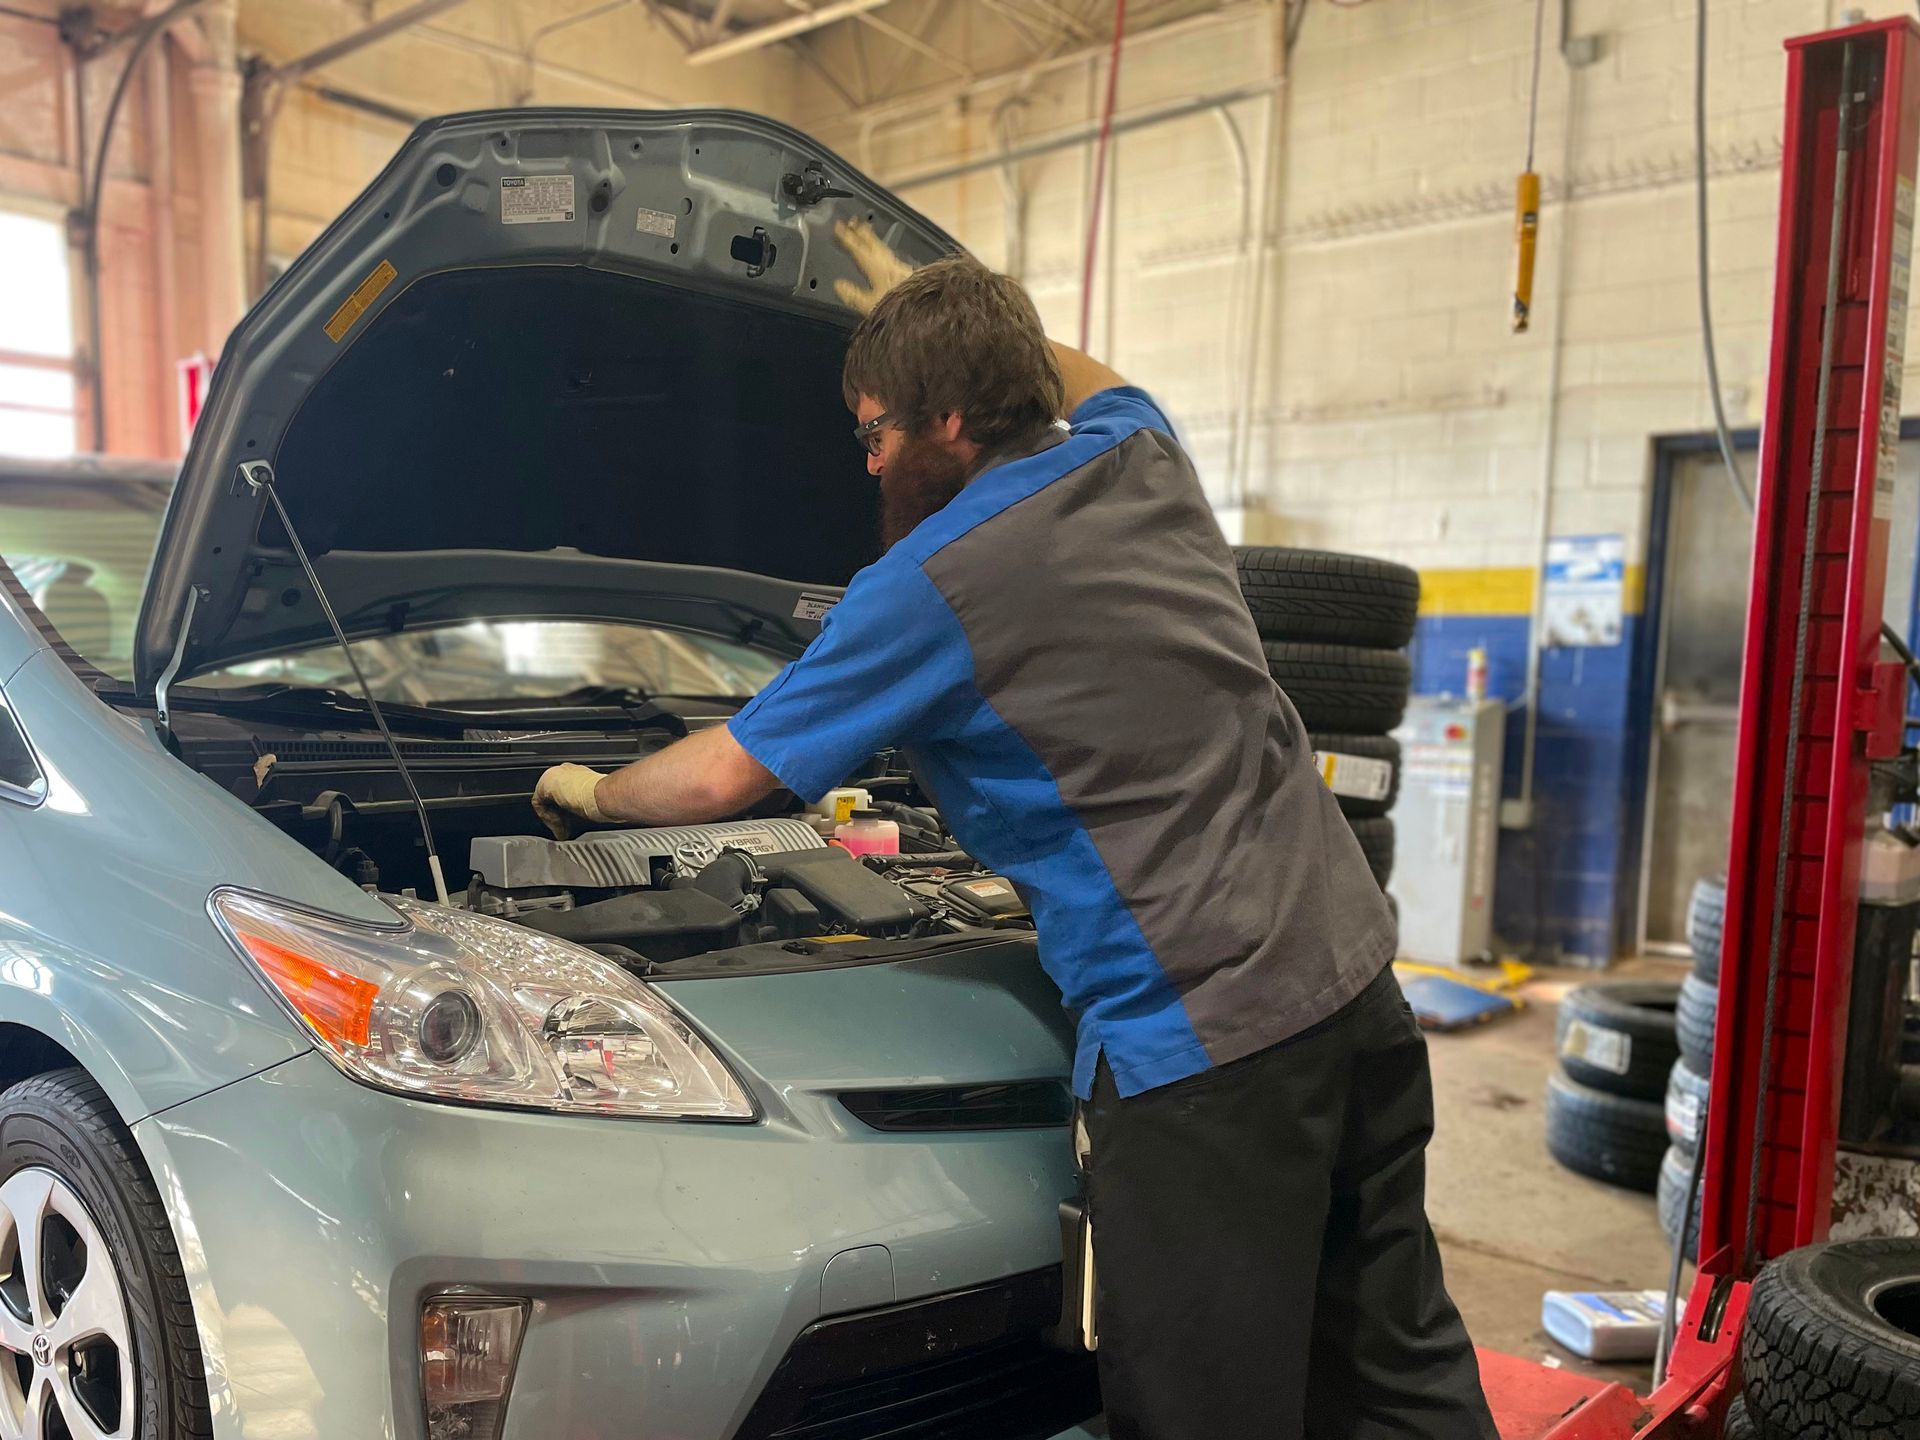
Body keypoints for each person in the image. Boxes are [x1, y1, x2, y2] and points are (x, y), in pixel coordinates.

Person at [532, 220, 1497, 1440]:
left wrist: (589, 791)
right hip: (1353, 986)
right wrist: (946, 308)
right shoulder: (1137, 450)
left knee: (1200, 1411)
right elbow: (1074, 375)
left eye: (876, 428)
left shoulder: (934, 582)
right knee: (1393, 1364)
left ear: (945, 424)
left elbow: (722, 780)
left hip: (1202, 1053)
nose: (869, 465)